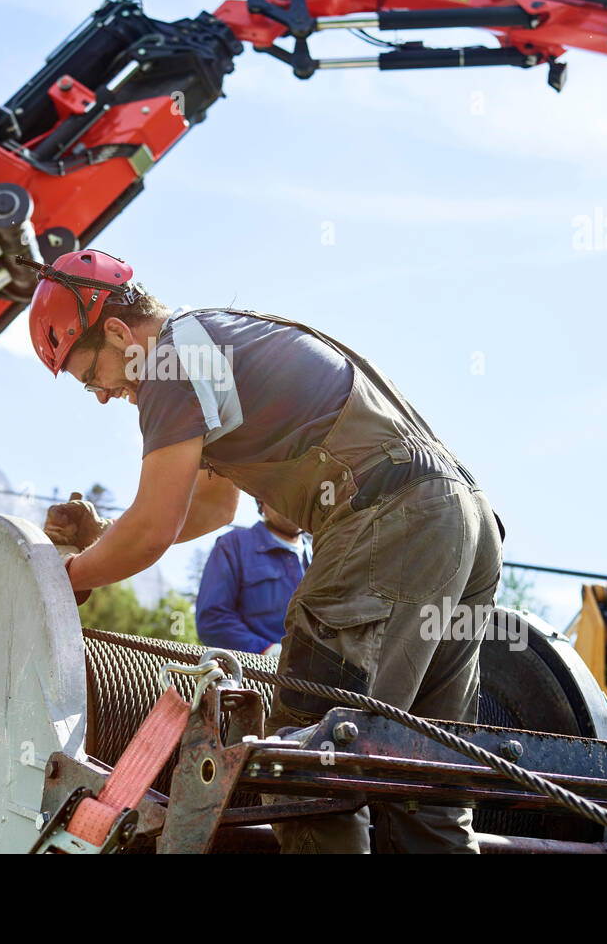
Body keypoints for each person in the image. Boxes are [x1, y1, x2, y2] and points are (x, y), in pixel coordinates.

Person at [26, 249, 503, 854]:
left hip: (392, 524)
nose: (99, 395)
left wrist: (66, 577)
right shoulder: (213, 344)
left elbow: (152, 527)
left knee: (300, 766)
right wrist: (101, 544)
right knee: (424, 788)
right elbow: (207, 508)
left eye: (89, 375)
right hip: (461, 523)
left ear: (119, 332)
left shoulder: (169, 360)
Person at [196, 500, 310, 655]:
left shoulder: (324, 554)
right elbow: (212, 620)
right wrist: (266, 650)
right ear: (261, 500)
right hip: (257, 675)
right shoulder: (233, 545)